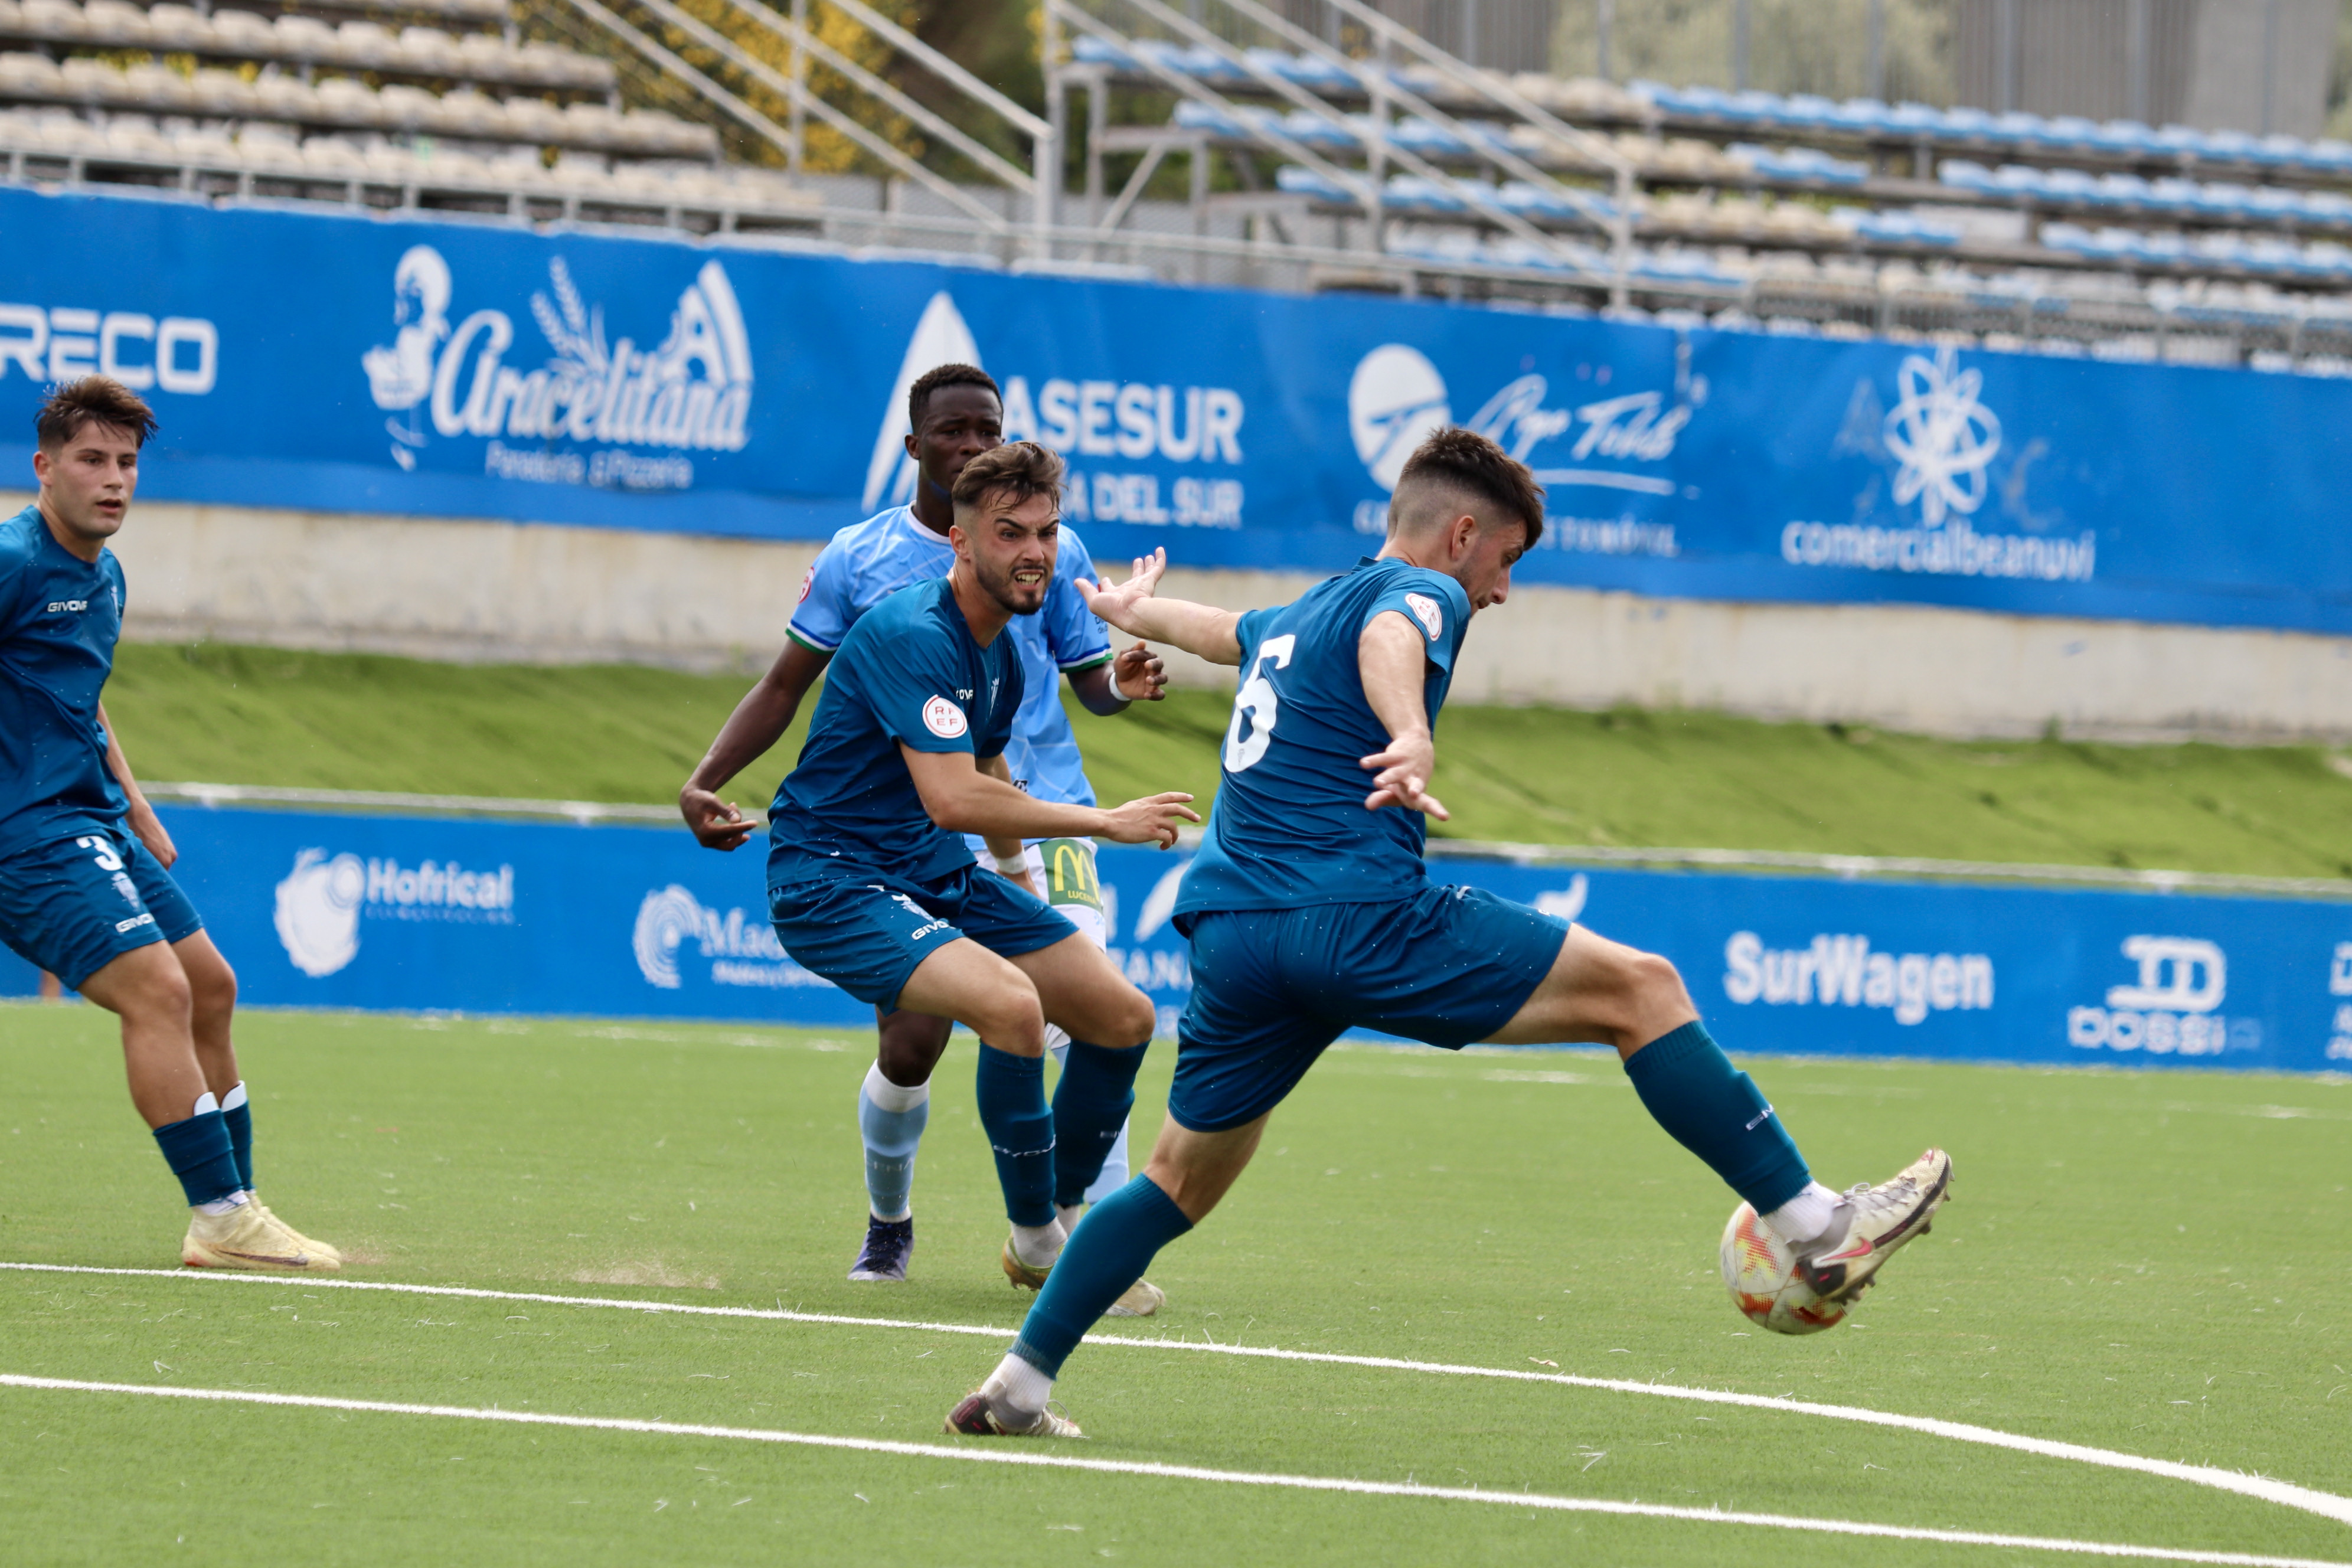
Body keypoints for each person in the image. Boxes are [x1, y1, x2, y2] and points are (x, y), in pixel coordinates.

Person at [946, 427, 1950, 1438]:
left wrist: (1130, 612)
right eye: (1506, 561)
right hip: (1354, 914)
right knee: (1642, 991)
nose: (1502, 590)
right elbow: (1396, 639)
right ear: (1462, 533)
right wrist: (1410, 729)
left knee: (1176, 1180)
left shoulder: (1302, 612)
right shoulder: (1421, 594)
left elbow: (1219, 630)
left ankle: (1019, 1387)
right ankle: (1816, 1225)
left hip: (1236, 935)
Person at [682, 365, 1169, 1304]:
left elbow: (989, 770)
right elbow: (953, 797)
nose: (1035, 555)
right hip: (835, 879)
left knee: (1122, 1017)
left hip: (937, 868)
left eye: (1046, 536)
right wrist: (1104, 820)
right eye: (1011, 536)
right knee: (986, 1020)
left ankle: (1059, 1213)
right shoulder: (905, 619)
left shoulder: (1003, 647)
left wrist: (1019, 888)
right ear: (959, 534)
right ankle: (1031, 1245)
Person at [0, 378, 339, 1272]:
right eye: (92, 461)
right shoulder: (12, 560)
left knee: (211, 986)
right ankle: (221, 1218)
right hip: (25, 831)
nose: (114, 480)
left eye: (127, 463)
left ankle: (240, 1209)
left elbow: (81, 698)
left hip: (93, 818)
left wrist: (136, 800)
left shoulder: (104, 573)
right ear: (44, 468)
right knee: (159, 991)